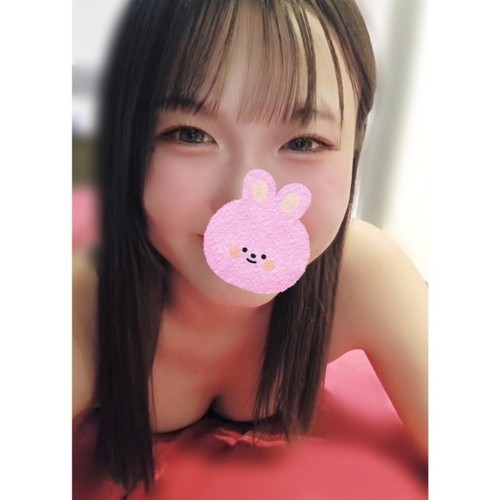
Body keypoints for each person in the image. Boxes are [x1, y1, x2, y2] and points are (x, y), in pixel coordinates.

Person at [73, 0, 428, 494]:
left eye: (304, 142)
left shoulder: (364, 275)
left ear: (355, 147)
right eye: (190, 134)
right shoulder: (85, 307)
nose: (243, 198)